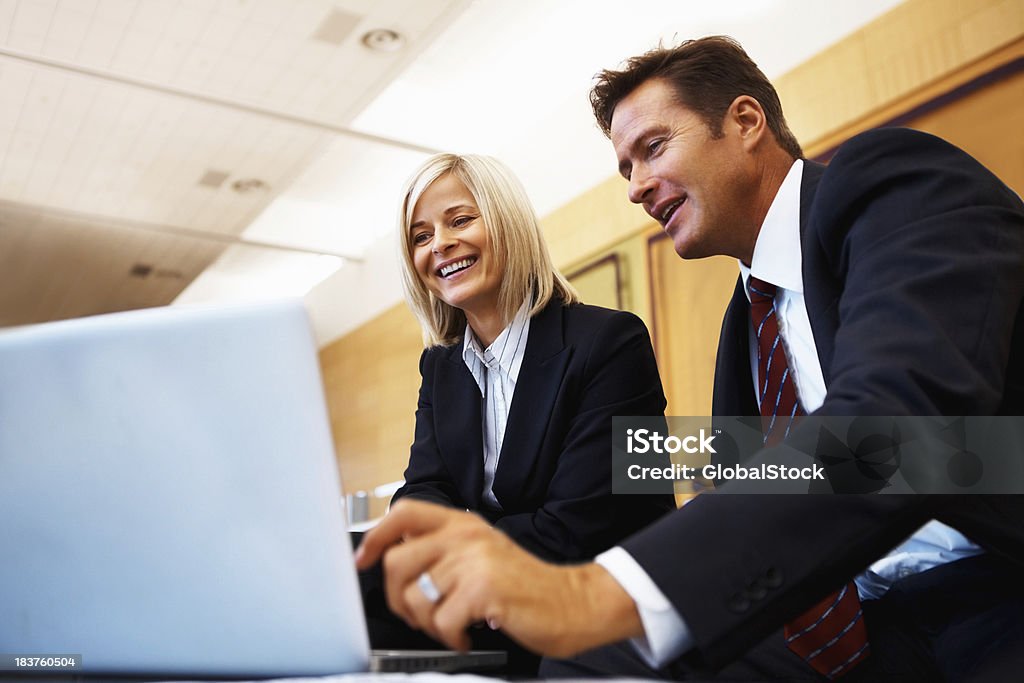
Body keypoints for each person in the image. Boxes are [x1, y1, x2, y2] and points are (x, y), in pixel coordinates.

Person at [356, 37, 1024, 681]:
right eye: (625, 169)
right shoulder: (747, 326)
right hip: (859, 614)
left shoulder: (893, 185)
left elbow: (895, 433)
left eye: (652, 149)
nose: (637, 187)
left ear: (744, 121)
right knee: (590, 662)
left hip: (993, 585)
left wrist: (595, 593)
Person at [359, 152, 675, 671]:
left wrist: (455, 560)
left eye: (460, 220)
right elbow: (423, 490)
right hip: (488, 602)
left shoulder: (609, 342)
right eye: (420, 236)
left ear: (507, 223)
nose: (439, 243)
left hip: (585, 606)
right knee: (360, 605)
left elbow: (578, 526)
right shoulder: (441, 365)